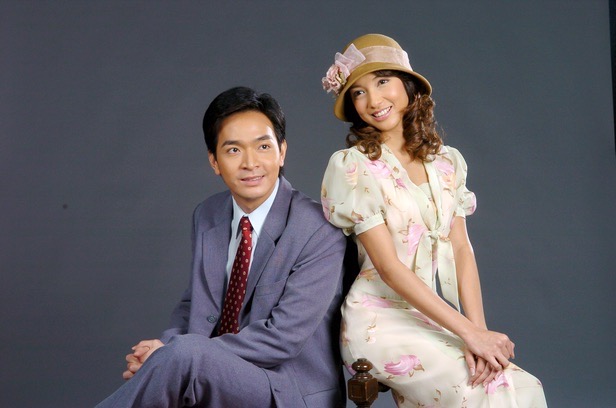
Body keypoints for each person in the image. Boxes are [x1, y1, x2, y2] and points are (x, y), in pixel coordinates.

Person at [320, 34, 547, 407]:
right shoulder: (353, 166)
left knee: (519, 385)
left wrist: (478, 332)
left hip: (430, 317)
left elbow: (461, 250)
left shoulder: (447, 163)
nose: (373, 100)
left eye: (382, 81)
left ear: (408, 87)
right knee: (492, 394)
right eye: (359, 92)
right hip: (377, 323)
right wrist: (468, 334)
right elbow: (389, 268)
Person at [96, 86, 348, 408]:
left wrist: (172, 355)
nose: (250, 163)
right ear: (214, 161)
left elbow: (282, 339)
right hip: (212, 374)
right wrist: (165, 349)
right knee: (179, 357)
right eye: (233, 150)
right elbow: (193, 304)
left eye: (263, 146)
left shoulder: (318, 229)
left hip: (288, 389)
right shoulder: (208, 215)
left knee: (182, 356)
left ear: (282, 152)